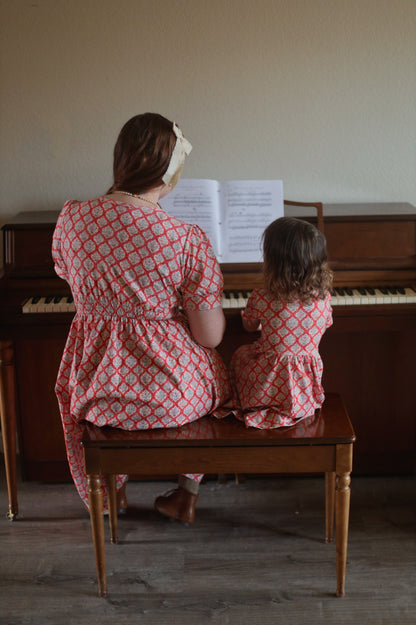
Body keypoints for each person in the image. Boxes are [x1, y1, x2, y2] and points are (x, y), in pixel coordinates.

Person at [52, 113, 231, 519]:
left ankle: (110, 493)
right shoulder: (185, 238)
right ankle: (187, 492)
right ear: (169, 171)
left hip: (96, 391)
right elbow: (210, 337)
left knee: (72, 394)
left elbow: (70, 276)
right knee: (220, 372)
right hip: (171, 397)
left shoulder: (71, 218)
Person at [176, 216, 334, 523]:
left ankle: (230, 421)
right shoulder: (324, 297)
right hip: (303, 387)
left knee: (238, 355)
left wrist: (268, 324)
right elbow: (324, 324)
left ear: (273, 261)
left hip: (268, 382)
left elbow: (249, 325)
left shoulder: (264, 295)